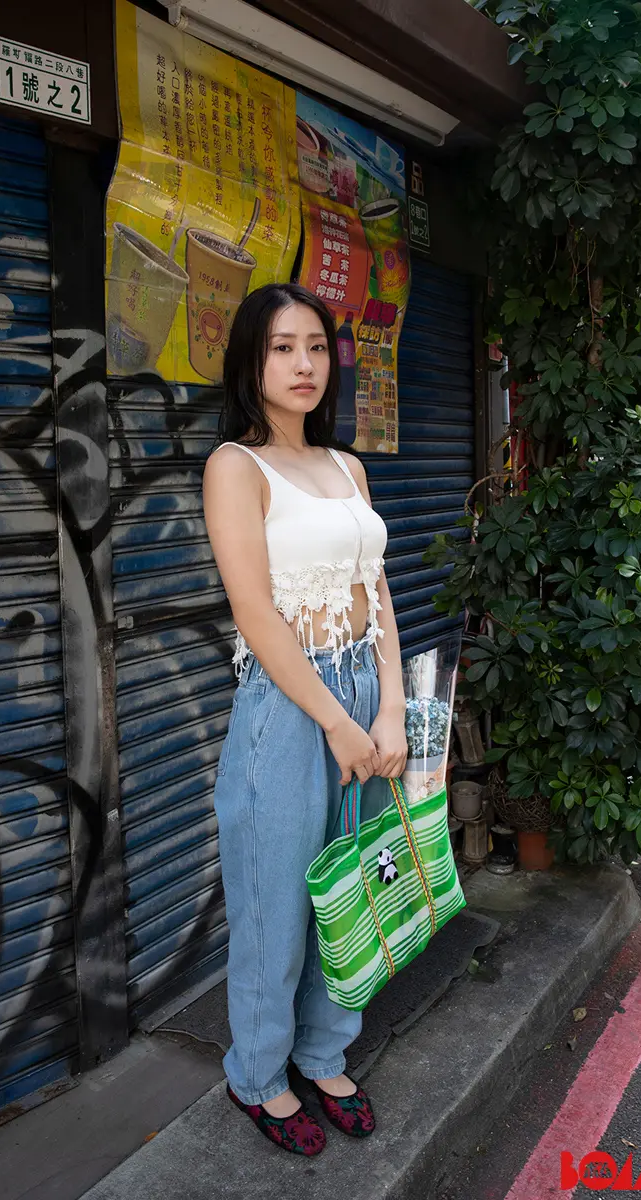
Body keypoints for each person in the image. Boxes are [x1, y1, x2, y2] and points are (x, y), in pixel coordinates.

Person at [203, 282, 407, 1156]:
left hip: (364, 691)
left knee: (353, 887)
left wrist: (390, 707)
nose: (303, 364)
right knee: (275, 903)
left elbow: (377, 593)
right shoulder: (234, 467)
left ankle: (325, 1054)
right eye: (283, 347)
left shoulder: (347, 467)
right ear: (252, 360)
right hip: (290, 708)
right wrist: (335, 721)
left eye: (317, 347)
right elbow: (255, 612)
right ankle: (257, 1074)